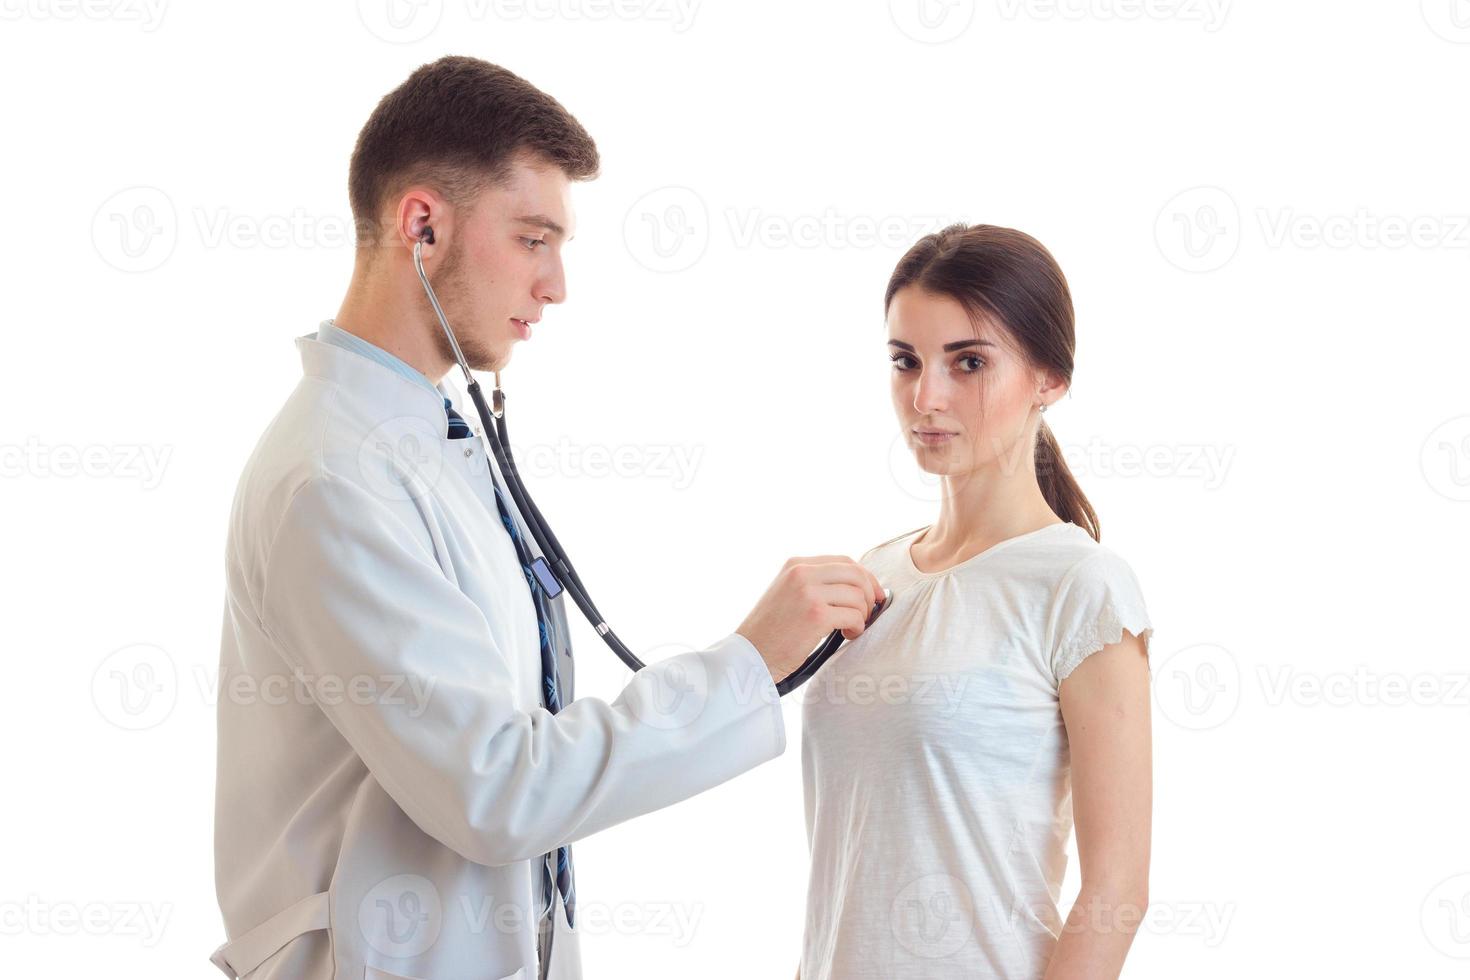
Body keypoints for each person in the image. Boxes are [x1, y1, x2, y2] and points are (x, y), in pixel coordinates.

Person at [210, 55, 882, 980]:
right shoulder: (333, 479)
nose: (556, 283)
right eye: (533, 239)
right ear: (423, 226)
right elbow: (497, 788)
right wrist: (748, 664)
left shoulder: (421, 441)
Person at [797, 224, 1155, 979]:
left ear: (1049, 379)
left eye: (969, 362)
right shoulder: (873, 575)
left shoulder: (1081, 585)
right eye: (906, 361)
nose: (927, 397)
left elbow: (1117, 892)